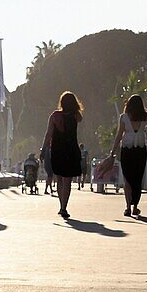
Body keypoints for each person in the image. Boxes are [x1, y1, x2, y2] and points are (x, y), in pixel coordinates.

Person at [42, 91, 83, 219]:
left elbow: (48, 134)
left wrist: (44, 149)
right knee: (68, 180)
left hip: (57, 150)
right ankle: (64, 206)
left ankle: (61, 206)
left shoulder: (54, 116)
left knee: (59, 178)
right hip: (71, 149)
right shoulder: (76, 115)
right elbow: (80, 119)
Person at [110, 94, 147, 217]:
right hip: (140, 151)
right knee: (138, 178)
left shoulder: (124, 117)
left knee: (127, 178)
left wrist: (112, 151)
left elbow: (119, 135)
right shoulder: (146, 117)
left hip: (127, 151)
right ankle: (135, 207)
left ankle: (127, 207)